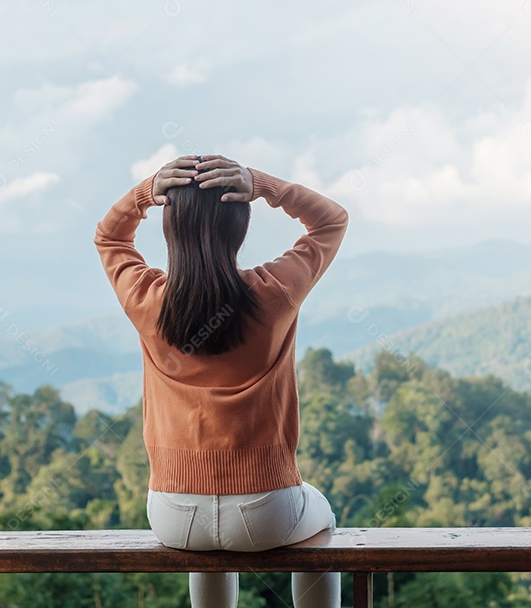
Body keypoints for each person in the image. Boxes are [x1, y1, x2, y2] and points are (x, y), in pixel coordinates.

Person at [94, 153, 349, 608]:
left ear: (171, 227)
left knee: (206, 552)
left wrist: (145, 193)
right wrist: (263, 184)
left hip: (173, 513)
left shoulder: (148, 299)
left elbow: (109, 236)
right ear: (240, 225)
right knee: (322, 520)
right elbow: (331, 221)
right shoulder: (275, 290)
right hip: (268, 508)